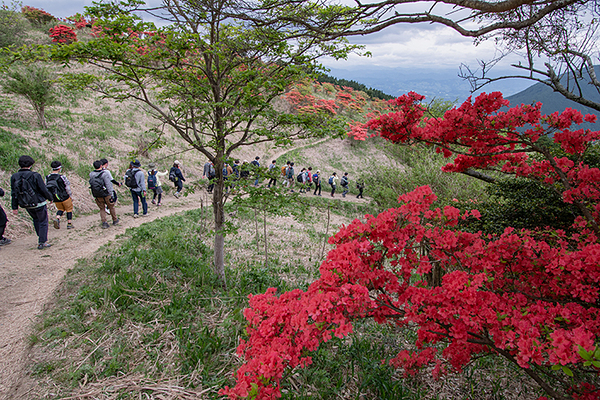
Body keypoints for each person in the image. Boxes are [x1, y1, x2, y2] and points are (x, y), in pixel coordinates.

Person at [10, 155, 53, 249]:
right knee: (43, 221)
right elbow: (43, 189)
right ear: (31, 164)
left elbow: (14, 193)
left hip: (25, 203)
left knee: (36, 219)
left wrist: (14, 207)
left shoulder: (14, 176)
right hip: (38, 202)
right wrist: (50, 198)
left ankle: (40, 237)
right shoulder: (35, 175)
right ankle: (42, 242)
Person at [89, 159, 119, 228]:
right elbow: (108, 185)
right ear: (101, 165)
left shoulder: (91, 174)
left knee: (102, 209)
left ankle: (104, 222)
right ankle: (115, 220)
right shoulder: (104, 174)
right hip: (106, 194)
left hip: (97, 194)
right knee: (111, 207)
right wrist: (111, 194)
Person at [46, 161, 74, 229]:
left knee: (60, 208)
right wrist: (70, 195)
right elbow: (67, 187)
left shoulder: (47, 177)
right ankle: (69, 223)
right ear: (59, 168)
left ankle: (57, 218)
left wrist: (50, 198)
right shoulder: (62, 177)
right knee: (69, 209)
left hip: (55, 197)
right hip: (64, 196)